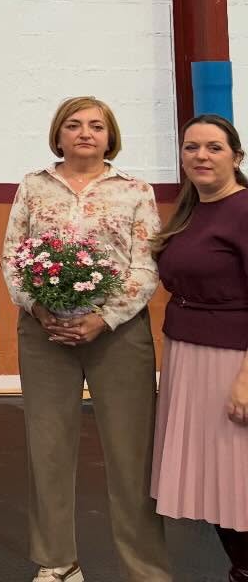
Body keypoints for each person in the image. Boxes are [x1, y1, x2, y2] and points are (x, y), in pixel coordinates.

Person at [1, 95, 171, 582]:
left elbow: (145, 264)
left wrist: (105, 316)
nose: (85, 133)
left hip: (118, 333)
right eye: (73, 125)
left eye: (96, 126)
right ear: (58, 134)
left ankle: (145, 569)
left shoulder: (134, 189)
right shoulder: (34, 187)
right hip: (44, 330)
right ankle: (57, 562)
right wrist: (38, 307)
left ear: (109, 136)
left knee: (130, 454)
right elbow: (14, 256)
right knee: (48, 449)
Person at [151, 114, 248, 581]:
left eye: (213, 147)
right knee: (215, 484)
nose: (201, 156)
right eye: (191, 148)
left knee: (239, 482)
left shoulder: (245, 210)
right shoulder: (189, 210)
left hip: (232, 360)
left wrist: (247, 379)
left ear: (237, 156)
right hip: (186, 355)